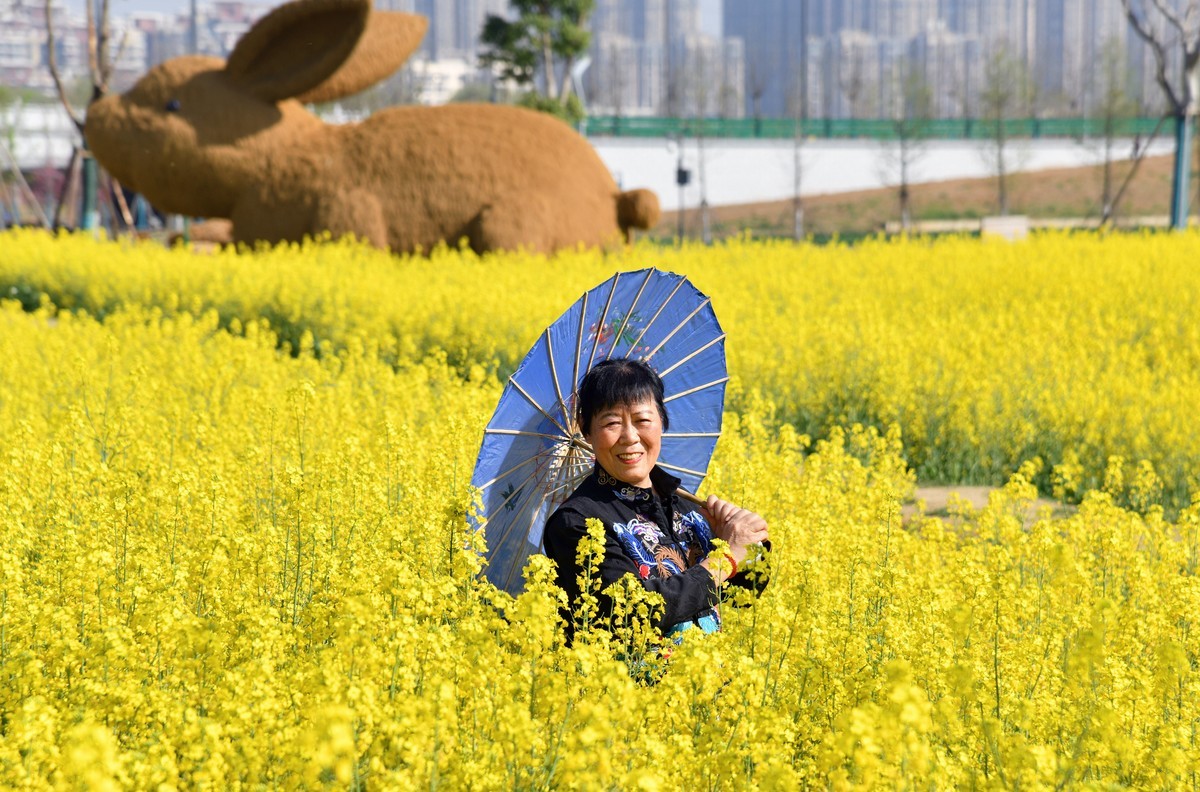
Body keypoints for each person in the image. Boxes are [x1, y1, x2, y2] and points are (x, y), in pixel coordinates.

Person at [542, 358, 770, 640]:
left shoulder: (687, 509)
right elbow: (631, 610)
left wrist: (746, 542)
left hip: (709, 679)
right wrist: (726, 557)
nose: (629, 437)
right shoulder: (578, 523)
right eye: (612, 422)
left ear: (662, 421)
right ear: (586, 430)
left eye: (642, 420)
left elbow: (740, 596)